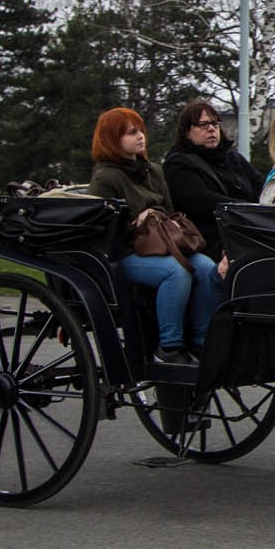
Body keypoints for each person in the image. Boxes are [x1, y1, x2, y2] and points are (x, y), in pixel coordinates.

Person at [86, 107, 222, 365]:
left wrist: (155, 213)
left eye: (141, 131)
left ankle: (201, 342)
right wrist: (135, 221)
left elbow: (171, 211)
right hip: (125, 253)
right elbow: (99, 228)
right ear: (112, 139)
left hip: (162, 245)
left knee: (205, 267)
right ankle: (169, 348)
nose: (140, 137)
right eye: (131, 132)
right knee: (175, 272)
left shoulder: (153, 171)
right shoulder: (106, 177)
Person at [162, 99, 263, 254]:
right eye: (203, 125)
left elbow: (259, 185)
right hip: (207, 241)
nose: (211, 129)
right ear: (187, 132)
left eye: (215, 124)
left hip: (247, 231)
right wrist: (248, 209)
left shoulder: (232, 157)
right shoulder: (179, 164)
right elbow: (202, 201)